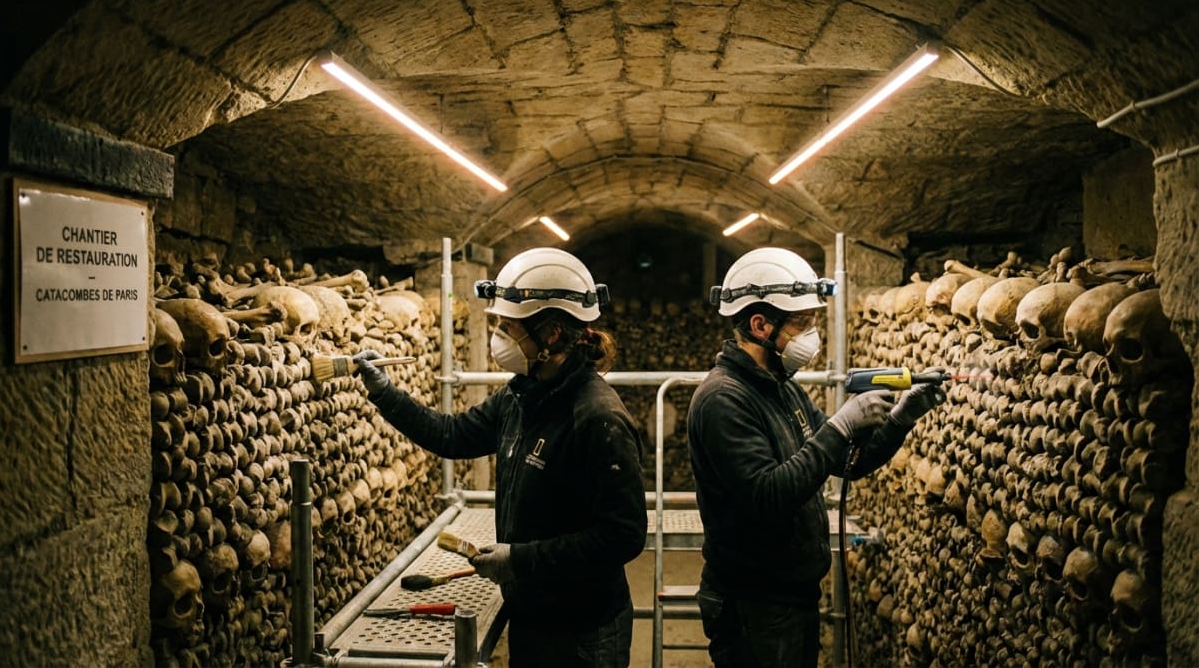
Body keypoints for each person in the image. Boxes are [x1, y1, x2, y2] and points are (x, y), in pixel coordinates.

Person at [353, 247, 647, 668]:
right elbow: (452, 435)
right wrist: (385, 393)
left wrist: (519, 559)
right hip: (530, 615)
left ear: (552, 335)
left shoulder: (598, 419)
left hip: (583, 631)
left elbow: (623, 536)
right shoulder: (520, 395)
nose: (499, 338)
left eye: (509, 327)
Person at [686, 247, 944, 668]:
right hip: (754, 603)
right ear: (760, 324)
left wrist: (901, 418)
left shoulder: (780, 386)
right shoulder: (723, 400)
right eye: (802, 323)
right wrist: (839, 426)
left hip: (790, 595)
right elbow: (768, 495)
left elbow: (845, 462)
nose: (811, 335)